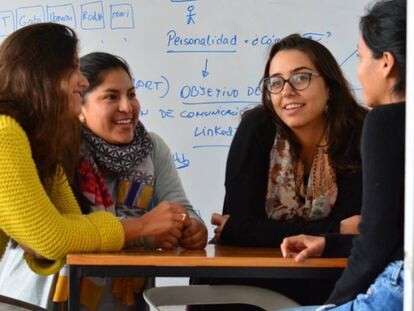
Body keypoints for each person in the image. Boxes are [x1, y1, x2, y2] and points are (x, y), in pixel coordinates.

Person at [0, 23, 206, 310]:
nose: (81, 81)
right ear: (43, 76)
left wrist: (184, 226)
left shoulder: (40, 140)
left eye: (131, 94)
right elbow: (54, 238)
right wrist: (143, 227)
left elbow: (58, 232)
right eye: (110, 96)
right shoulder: (10, 134)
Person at [190, 34, 367, 310]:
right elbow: (239, 231)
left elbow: (363, 231)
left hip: (329, 277)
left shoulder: (361, 131)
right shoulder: (256, 127)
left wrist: (256, 231)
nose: (286, 91)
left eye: (301, 78)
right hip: (248, 278)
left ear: (330, 86)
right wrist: (336, 229)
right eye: (276, 82)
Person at [280, 0, 406, 310]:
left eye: (362, 58)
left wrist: (332, 305)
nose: (359, 72)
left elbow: (377, 240)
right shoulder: (257, 127)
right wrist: (332, 241)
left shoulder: (385, 121)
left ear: (386, 63)